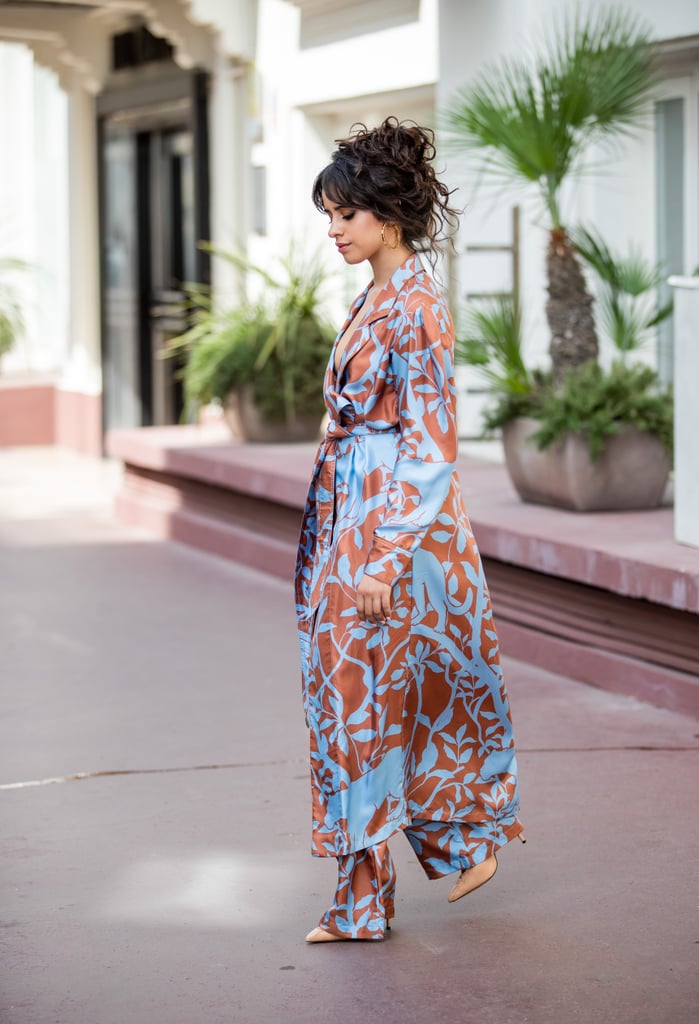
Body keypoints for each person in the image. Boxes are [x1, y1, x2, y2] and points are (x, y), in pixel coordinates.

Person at [294, 117, 525, 943]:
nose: (332, 231)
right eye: (328, 215)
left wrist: (386, 559)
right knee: (355, 699)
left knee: (374, 697)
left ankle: (443, 847)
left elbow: (431, 442)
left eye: (343, 215)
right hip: (353, 517)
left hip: (393, 530)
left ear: (385, 214)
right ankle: (415, 863)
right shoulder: (380, 295)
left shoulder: (418, 304)